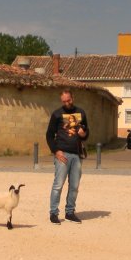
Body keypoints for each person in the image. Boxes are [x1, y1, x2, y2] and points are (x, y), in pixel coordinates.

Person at [46, 89, 88, 224]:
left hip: (77, 154)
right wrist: (56, 151)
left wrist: (83, 134)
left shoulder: (81, 112)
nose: (66, 103)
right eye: (64, 101)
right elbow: (49, 135)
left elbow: (86, 133)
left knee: (74, 186)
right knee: (58, 185)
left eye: (68, 100)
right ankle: (53, 213)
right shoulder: (57, 114)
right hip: (62, 154)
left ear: (72, 98)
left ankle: (70, 212)